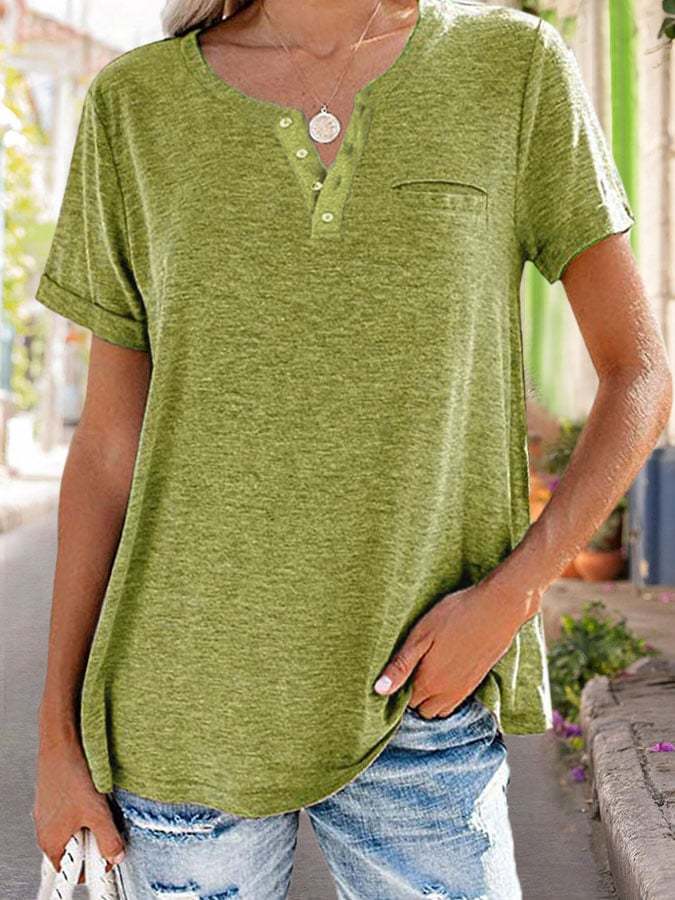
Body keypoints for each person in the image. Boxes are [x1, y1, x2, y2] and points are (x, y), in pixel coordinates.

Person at [32, 0, 672, 897]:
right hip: (180, 718)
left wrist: (514, 593)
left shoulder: (510, 68)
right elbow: (107, 448)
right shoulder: (137, 105)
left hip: (421, 705)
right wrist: (57, 739)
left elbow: (637, 373)